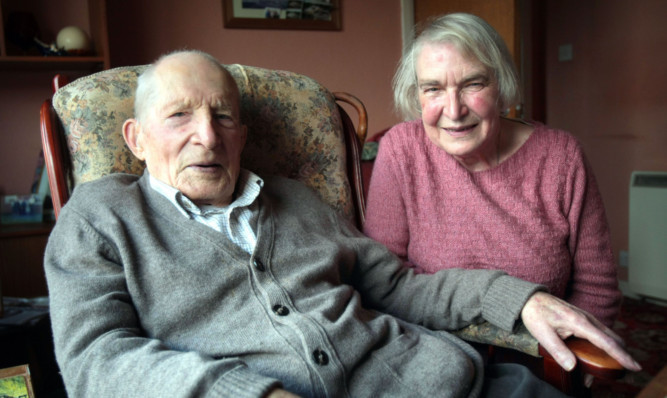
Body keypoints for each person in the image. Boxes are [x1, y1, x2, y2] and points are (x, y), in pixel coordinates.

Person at [44, 50, 639, 398]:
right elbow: (95, 356)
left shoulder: (295, 200)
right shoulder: (100, 217)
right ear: (135, 138)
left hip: (446, 380)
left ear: (243, 136)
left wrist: (516, 298)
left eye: (223, 116)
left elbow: (400, 286)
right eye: (180, 116)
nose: (207, 135)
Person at [363, 13, 621, 328]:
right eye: (433, 89)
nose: (454, 110)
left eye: (473, 83)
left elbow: (596, 288)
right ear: (415, 95)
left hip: (543, 359)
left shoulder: (561, 157)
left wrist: (572, 367)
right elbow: (382, 283)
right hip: (429, 350)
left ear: (501, 84)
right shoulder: (402, 150)